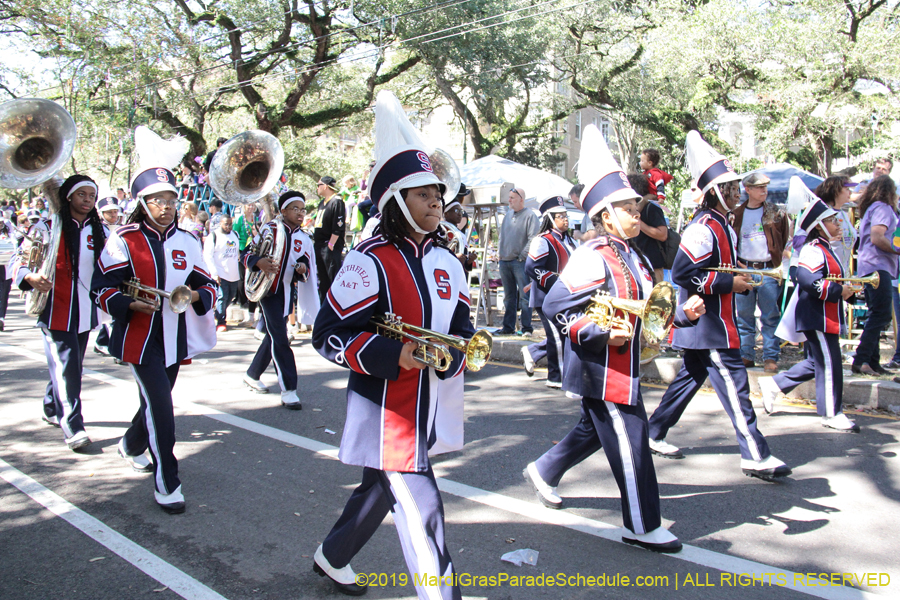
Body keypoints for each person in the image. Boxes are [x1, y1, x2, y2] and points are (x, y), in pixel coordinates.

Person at [310, 90, 472, 599]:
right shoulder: (368, 259)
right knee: (422, 507)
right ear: (398, 202)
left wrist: (459, 349)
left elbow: (462, 321)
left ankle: (333, 555)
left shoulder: (447, 260)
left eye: (438, 194)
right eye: (424, 195)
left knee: (382, 488)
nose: (436, 203)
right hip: (388, 411)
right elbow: (328, 334)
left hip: (428, 403)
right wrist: (389, 353)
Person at [523, 125, 698, 553]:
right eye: (628, 209)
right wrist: (600, 330)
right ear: (604, 215)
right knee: (631, 440)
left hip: (625, 366)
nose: (637, 214)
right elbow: (556, 307)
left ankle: (544, 470)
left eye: (636, 207)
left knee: (594, 431)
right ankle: (642, 525)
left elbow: (647, 310)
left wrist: (683, 315)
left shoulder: (633, 254)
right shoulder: (591, 256)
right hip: (602, 370)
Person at [645, 131, 791, 481]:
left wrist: (734, 280)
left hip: (714, 322)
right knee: (736, 387)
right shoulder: (704, 226)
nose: (737, 191)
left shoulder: (722, 223)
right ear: (715, 193)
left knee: (690, 378)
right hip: (709, 324)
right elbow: (683, 272)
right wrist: (730, 282)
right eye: (730, 188)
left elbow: (714, 269)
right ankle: (755, 454)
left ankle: (652, 431)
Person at [91, 126, 217, 514]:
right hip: (139, 338)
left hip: (174, 337)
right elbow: (101, 288)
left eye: (170, 199)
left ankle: (130, 444)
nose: (165, 205)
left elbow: (209, 286)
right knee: (162, 408)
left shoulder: (188, 240)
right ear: (143, 203)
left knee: (154, 403)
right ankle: (168, 482)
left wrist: (194, 295)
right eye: (156, 200)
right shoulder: (122, 239)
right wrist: (130, 304)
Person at [12, 175, 108, 449]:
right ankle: (73, 426)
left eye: (92, 195)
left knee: (70, 366)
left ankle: (51, 406)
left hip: (85, 312)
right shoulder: (47, 227)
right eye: (82, 195)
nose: (87, 200)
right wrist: (30, 277)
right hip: (55, 311)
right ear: (68, 197)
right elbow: (18, 262)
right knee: (68, 368)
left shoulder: (100, 230)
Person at [762, 191, 859, 432]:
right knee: (830, 362)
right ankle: (831, 413)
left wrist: (849, 290)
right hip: (817, 315)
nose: (837, 224)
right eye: (831, 220)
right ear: (818, 226)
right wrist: (839, 291)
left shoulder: (827, 248)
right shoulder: (814, 249)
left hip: (824, 314)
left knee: (818, 362)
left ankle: (775, 385)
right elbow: (806, 279)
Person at [241, 191, 314, 408]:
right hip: (267, 290)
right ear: (283, 211)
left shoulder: (304, 237)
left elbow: (305, 264)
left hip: (285, 291)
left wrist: (302, 268)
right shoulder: (270, 228)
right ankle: (289, 389)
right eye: (295, 209)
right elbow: (245, 254)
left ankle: (252, 374)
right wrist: (259, 262)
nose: (301, 213)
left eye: (303, 209)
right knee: (281, 338)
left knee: (274, 335)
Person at [730, 173, 791, 372]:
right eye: (759, 187)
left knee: (770, 315)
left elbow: (783, 239)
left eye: (765, 187)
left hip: (768, 269)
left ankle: (770, 357)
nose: (764, 190)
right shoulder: (736, 213)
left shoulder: (775, 212)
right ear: (747, 190)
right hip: (744, 269)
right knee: (744, 315)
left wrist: (778, 263)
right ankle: (746, 354)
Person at [521, 196, 575, 388]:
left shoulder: (568, 240)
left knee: (565, 333)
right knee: (557, 337)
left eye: (566, 215)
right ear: (551, 219)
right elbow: (532, 267)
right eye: (560, 216)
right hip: (547, 296)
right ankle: (556, 376)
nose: (565, 219)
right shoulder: (543, 240)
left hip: (566, 296)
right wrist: (559, 283)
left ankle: (534, 354)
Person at [851, 175, 900, 375]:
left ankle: (873, 361)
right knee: (881, 314)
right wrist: (897, 250)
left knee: (875, 313)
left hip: (868, 265)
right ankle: (861, 358)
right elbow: (878, 236)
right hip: (878, 266)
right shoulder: (884, 209)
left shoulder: (871, 208)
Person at [498, 186, 539, 335]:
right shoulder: (508, 215)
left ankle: (526, 328)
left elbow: (533, 238)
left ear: (521, 199)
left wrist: (522, 256)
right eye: (509, 197)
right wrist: (500, 253)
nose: (509, 200)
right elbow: (502, 235)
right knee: (509, 297)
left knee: (525, 297)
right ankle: (508, 328)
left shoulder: (530, 216)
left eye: (512, 198)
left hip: (519, 262)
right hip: (505, 261)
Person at [93, 196, 122, 357]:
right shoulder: (97, 229)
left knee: (111, 314)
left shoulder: (121, 228)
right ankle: (116, 349)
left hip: (117, 272)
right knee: (110, 314)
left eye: (115, 211)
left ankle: (102, 342)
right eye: (109, 212)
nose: (113, 215)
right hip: (103, 273)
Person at [204, 215, 241, 332]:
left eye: (230, 224)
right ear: (220, 223)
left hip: (233, 273)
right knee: (222, 297)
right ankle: (221, 321)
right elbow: (208, 256)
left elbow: (237, 252)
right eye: (226, 224)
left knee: (231, 296)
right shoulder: (213, 236)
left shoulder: (234, 235)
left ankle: (218, 313)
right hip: (220, 272)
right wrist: (214, 273)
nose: (228, 226)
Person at [629, 173, 667, 283]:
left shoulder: (652, 207)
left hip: (653, 265)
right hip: (638, 264)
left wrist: (640, 223)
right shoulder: (635, 208)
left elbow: (663, 235)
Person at [313, 176, 346, 301]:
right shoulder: (322, 203)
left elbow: (338, 225)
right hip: (319, 244)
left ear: (325, 186)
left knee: (332, 277)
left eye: (319, 185)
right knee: (322, 279)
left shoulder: (337, 201)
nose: (317, 188)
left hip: (329, 245)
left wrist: (331, 244)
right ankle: (323, 305)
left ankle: (334, 306)